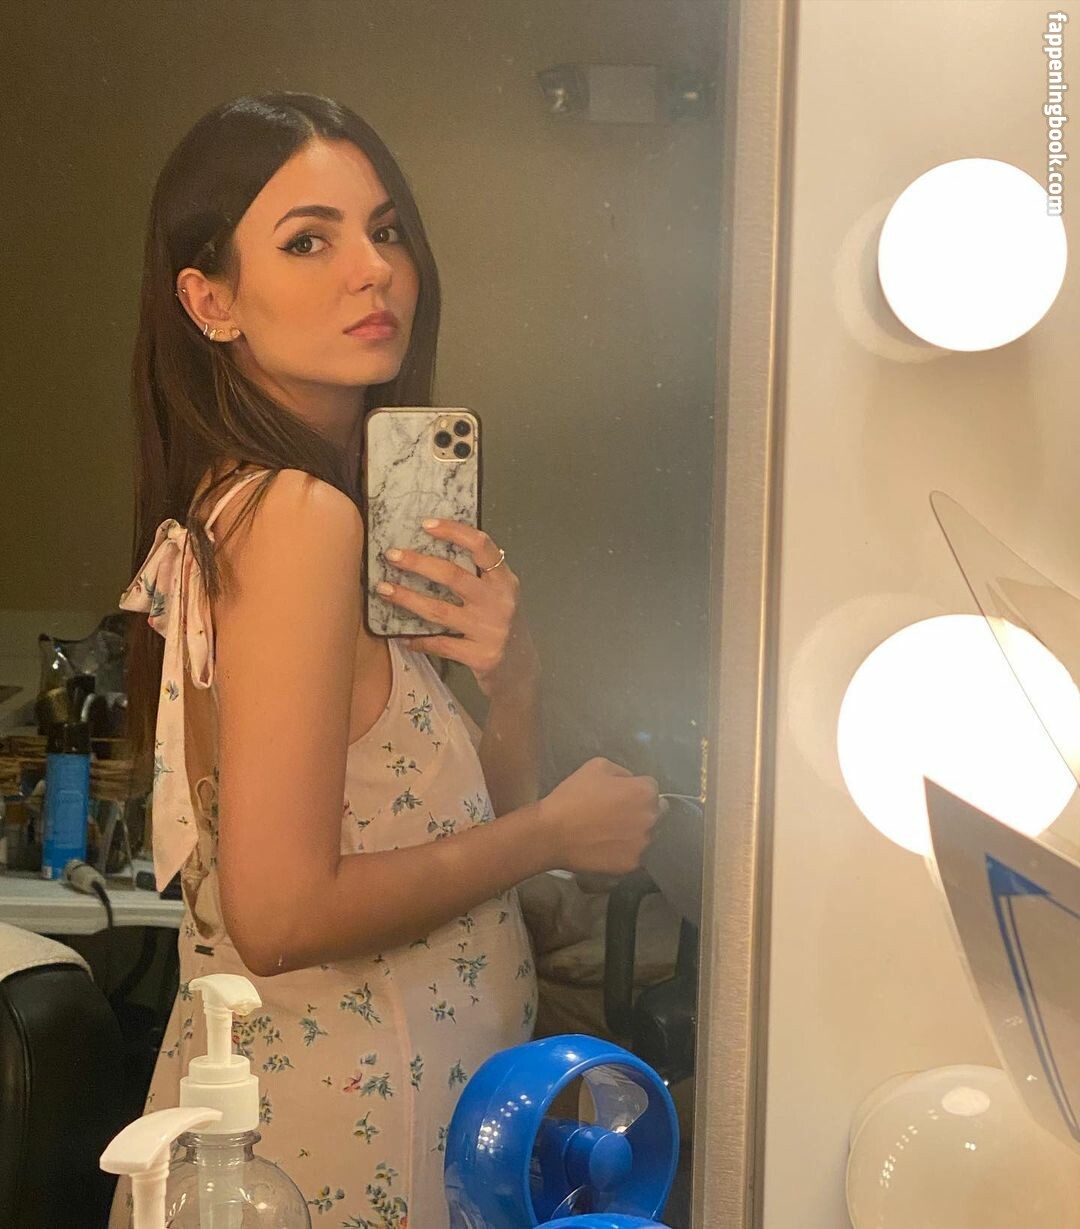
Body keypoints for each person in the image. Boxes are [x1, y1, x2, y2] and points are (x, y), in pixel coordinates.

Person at [108, 91, 664, 1228]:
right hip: (335, 1146)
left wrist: (514, 681)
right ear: (210, 300)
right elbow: (280, 912)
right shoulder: (296, 517)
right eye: (308, 241)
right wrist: (554, 831)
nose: (375, 270)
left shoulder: (274, 509)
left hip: (381, 1120)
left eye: (386, 229)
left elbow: (459, 846)